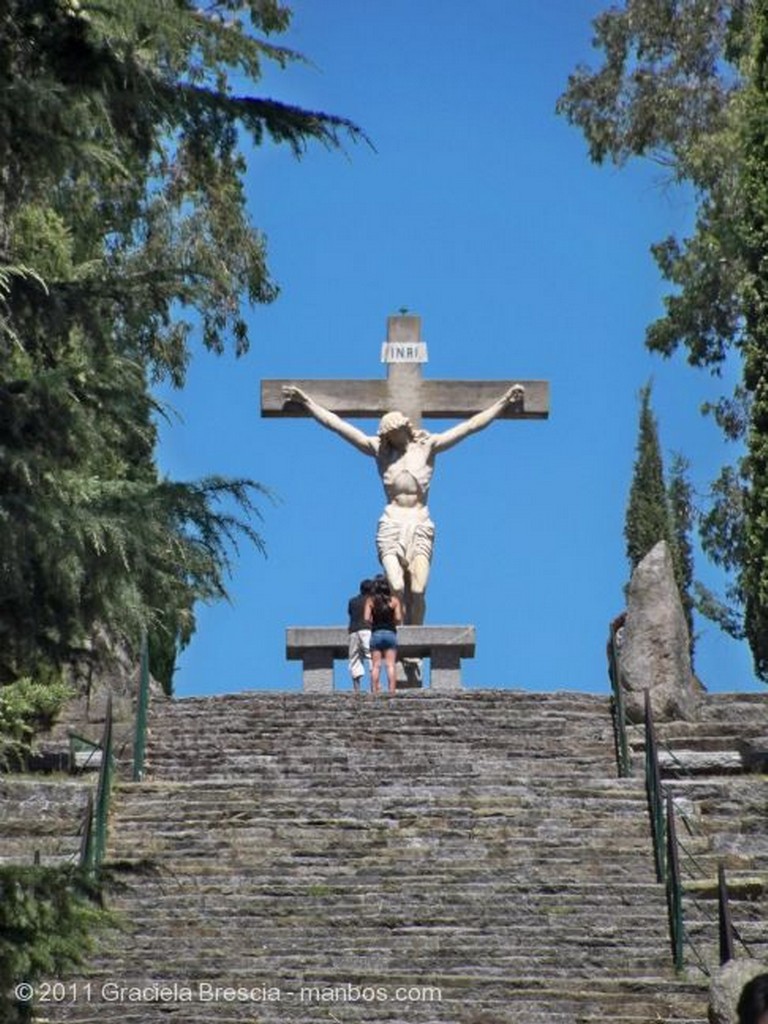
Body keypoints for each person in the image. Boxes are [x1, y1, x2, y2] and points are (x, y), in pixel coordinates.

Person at [281, 383, 524, 624]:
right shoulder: (380, 451)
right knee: (396, 585)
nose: (391, 439)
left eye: (393, 434)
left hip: (419, 523)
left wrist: (503, 402)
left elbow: (470, 426)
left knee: (417, 590)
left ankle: (414, 641)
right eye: (387, 436)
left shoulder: (427, 447)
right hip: (392, 523)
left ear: (404, 429)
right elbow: (338, 426)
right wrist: (307, 403)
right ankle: (401, 636)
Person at [363, 576, 403, 695]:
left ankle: (375, 691)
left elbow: (366, 618)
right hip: (390, 633)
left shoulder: (371, 601)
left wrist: (373, 622)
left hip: (376, 633)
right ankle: (392, 691)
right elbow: (398, 618)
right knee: (390, 665)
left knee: (376, 665)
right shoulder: (394, 601)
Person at [347, 578, 374, 692]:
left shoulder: (352, 601)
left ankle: (356, 687)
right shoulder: (371, 601)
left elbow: (349, 613)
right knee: (371, 656)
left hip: (353, 631)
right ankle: (374, 684)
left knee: (354, 658)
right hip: (366, 630)